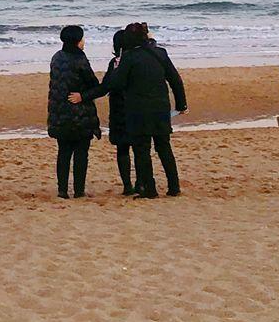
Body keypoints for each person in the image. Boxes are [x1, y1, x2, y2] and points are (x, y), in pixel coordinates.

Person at [76, 22, 185, 197]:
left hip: (138, 110)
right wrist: (181, 104)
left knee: (142, 150)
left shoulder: (129, 58)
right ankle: (174, 187)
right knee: (164, 147)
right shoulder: (160, 53)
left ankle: (150, 190)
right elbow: (175, 80)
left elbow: (116, 83)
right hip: (160, 107)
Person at [47, 27, 101, 198]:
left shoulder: (56, 57)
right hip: (79, 113)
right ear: (77, 41)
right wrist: (84, 96)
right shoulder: (80, 59)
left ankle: (62, 190)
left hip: (59, 111)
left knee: (63, 152)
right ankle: (79, 190)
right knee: (81, 153)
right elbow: (93, 83)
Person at [102, 28, 133, 193]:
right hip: (136, 108)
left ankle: (127, 185)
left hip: (119, 110)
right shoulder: (138, 59)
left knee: (122, 149)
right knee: (140, 148)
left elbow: (106, 85)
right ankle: (142, 182)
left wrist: (86, 95)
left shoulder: (115, 63)